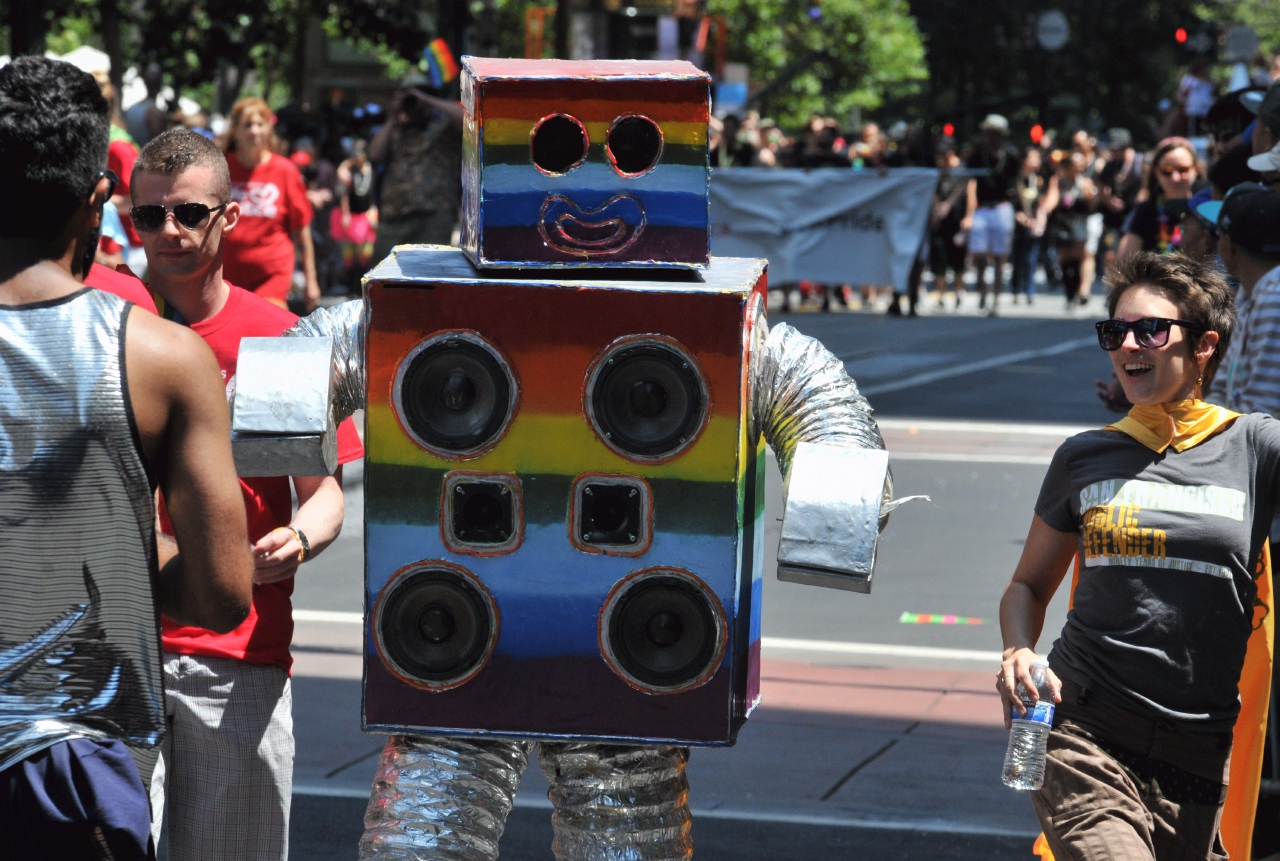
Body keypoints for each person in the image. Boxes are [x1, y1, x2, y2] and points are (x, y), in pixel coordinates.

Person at [0, 57, 252, 859]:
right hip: (73, 771)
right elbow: (220, 594)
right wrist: (116, 563)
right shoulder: (164, 358)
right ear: (98, 203)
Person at [129, 128, 364, 861]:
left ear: (229, 218)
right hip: (118, 657)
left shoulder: (276, 337)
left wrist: (298, 539)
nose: (168, 231)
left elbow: (324, 493)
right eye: (149, 216)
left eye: (189, 213)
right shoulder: (107, 327)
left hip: (236, 661)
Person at [1000, 251, 1275, 860]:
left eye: (1150, 329)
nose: (1129, 345)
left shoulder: (1255, 448)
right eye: (1115, 331)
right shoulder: (1083, 456)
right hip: (1084, 733)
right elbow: (1026, 587)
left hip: (1198, 753)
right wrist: (1019, 649)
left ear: (1204, 345)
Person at [220, 97, 319, 310]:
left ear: (268, 129)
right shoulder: (220, 169)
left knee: (264, 330)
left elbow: (302, 230)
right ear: (235, 131)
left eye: (260, 124)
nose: (254, 131)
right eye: (247, 125)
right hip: (226, 276)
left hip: (272, 275)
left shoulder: (285, 171)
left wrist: (311, 281)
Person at [369, 78, 464, 262]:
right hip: (395, 216)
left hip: (435, 214)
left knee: (430, 274)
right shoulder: (395, 129)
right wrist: (394, 115)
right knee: (386, 275)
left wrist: (428, 100)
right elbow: (375, 155)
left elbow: (467, 120)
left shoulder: (444, 125)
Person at [962, 114, 1021, 315]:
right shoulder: (976, 155)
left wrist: (1025, 211)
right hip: (981, 209)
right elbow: (967, 181)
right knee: (978, 253)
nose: (989, 137)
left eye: (994, 134)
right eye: (987, 133)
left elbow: (1018, 184)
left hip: (1002, 208)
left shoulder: (1011, 156)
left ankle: (995, 299)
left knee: (999, 257)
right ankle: (982, 288)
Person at [1116, 138, 1203, 258]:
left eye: (1183, 170)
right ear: (1156, 172)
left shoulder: (1207, 211)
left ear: (1196, 169)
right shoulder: (1145, 212)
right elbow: (1124, 262)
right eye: (1166, 171)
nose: (1175, 178)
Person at [1042, 150, 1097, 307]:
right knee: (1065, 258)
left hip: (1080, 223)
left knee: (1077, 256)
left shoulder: (1085, 182)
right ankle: (1069, 294)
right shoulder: (1059, 181)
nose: (1079, 167)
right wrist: (1046, 209)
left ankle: (1078, 290)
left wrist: (1090, 197)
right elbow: (1052, 199)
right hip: (1063, 224)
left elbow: (1093, 206)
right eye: (1076, 163)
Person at [332, 138, 378, 294]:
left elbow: (374, 194)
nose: (358, 156)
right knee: (349, 256)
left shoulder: (372, 169)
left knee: (365, 254)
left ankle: (362, 289)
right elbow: (343, 194)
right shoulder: (349, 171)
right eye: (355, 153)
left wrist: (374, 210)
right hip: (351, 217)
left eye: (361, 152)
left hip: (366, 216)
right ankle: (350, 289)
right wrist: (345, 214)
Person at [929, 138, 968, 310]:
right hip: (939, 221)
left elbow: (970, 192)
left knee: (957, 258)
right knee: (939, 257)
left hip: (957, 219)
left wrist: (969, 216)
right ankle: (941, 293)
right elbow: (932, 192)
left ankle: (959, 291)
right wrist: (937, 208)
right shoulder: (937, 170)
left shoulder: (962, 170)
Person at [1011, 147, 1047, 303]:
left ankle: (1030, 290)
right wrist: (1025, 220)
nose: (1036, 162)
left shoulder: (1037, 180)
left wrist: (1039, 222)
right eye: (1033, 158)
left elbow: (1041, 204)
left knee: (1032, 258)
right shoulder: (1016, 180)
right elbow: (1013, 206)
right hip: (1018, 225)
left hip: (1033, 226)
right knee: (1018, 258)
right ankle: (1017, 289)